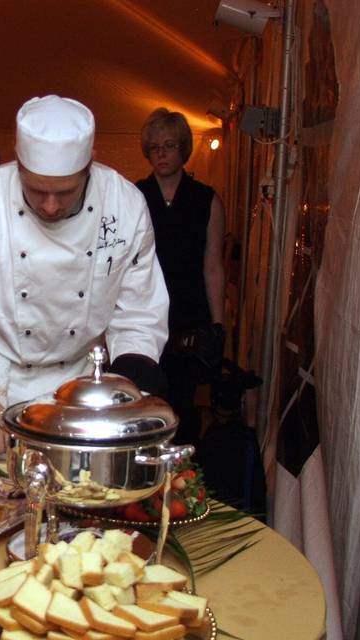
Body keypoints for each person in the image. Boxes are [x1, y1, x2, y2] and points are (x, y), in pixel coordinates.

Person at [0, 95, 169, 454]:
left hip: (80, 389)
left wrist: (116, 402)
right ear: (18, 164)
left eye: (65, 192)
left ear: (89, 167)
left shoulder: (124, 206)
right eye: (36, 190)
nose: (50, 205)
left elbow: (139, 319)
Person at [135, 108, 226, 445]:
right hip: (142, 315)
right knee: (142, 406)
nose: (161, 153)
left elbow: (213, 266)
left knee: (182, 410)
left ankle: (181, 485)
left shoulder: (207, 200)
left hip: (188, 317)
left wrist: (218, 326)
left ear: (183, 149)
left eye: (169, 145)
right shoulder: (135, 197)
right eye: (155, 147)